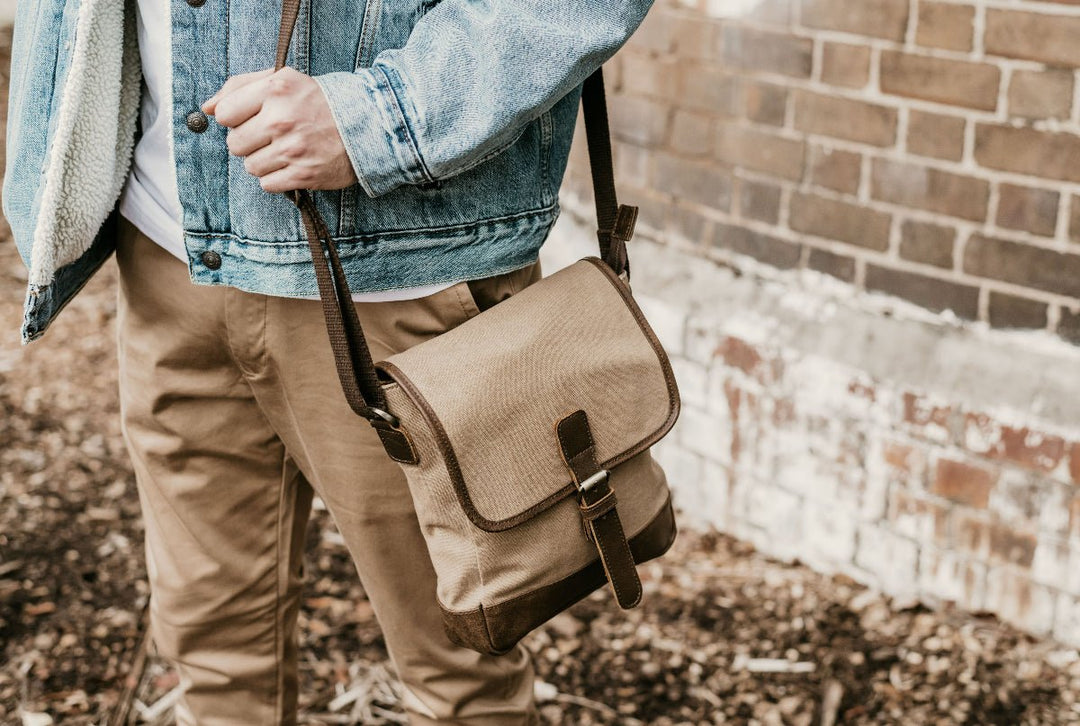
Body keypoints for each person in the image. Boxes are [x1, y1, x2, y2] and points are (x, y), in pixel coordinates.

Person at [3, 0, 654, 723]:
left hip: (396, 272)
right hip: (169, 240)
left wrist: (380, 118)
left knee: (459, 673)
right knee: (213, 660)